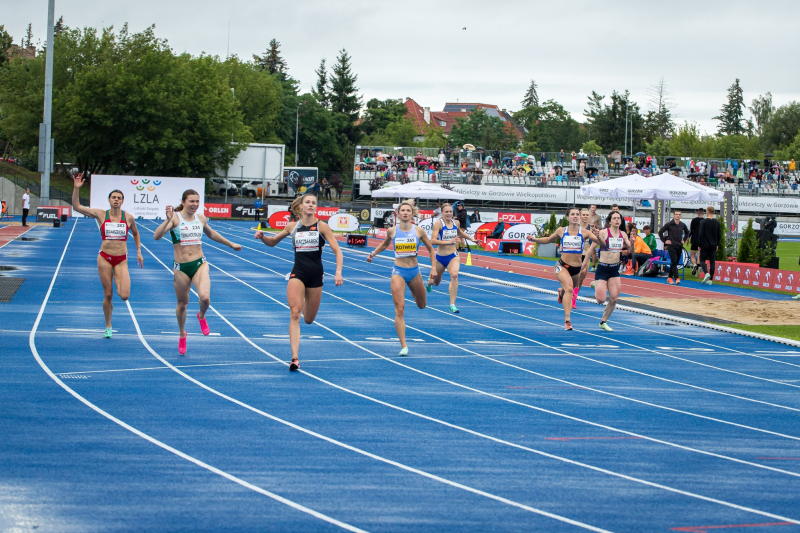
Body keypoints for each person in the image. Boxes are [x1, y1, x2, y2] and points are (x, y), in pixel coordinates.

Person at [255, 194, 343, 370]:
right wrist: (263, 237)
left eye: (313, 203)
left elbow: (337, 251)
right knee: (295, 313)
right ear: (301, 206)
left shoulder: (322, 227)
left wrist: (338, 272)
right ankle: (295, 358)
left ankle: (303, 300)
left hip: (316, 276)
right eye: (308, 202)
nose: (310, 205)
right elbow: (272, 242)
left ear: (316, 207)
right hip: (298, 273)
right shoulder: (292, 227)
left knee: (309, 319)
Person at [153, 189, 242, 355]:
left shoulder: (201, 218)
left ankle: (201, 316)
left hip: (200, 264)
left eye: (197, 201)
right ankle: (182, 334)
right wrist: (166, 220)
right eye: (191, 201)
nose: (194, 204)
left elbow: (212, 234)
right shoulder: (175, 218)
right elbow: (156, 236)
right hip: (181, 268)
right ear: (184, 202)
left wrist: (231, 244)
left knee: (205, 298)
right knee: (182, 304)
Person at [71, 173, 143, 338]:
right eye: (113, 197)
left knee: (124, 295)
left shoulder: (128, 218)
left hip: (121, 259)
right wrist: (76, 189)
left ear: (122, 201)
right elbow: (76, 207)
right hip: (104, 258)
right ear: (109, 200)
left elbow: (136, 234)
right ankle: (108, 325)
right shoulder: (101, 214)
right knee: (108, 294)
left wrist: (138, 251)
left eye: (119, 198)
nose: (116, 200)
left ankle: (116, 291)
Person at [367, 200, 435, 356]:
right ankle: (404, 345)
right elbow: (385, 244)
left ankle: (414, 289)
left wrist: (433, 269)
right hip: (398, 272)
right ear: (398, 213)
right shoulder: (392, 231)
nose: (405, 213)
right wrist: (373, 253)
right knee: (400, 309)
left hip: (415, 271)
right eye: (402, 210)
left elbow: (431, 250)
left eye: (408, 211)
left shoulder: (418, 231)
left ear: (412, 214)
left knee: (422, 305)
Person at [527, 207, 601, 330]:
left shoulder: (585, 233)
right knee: (570, 289)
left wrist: (599, 236)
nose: (576, 216)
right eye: (573, 214)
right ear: (568, 217)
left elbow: (601, 243)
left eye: (577, 214)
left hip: (576, 269)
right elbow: (548, 239)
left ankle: (561, 293)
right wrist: (534, 239)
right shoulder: (561, 230)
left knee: (567, 289)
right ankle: (567, 320)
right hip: (562, 266)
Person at [584, 211, 632, 331]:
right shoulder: (603, 233)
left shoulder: (623, 234)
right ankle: (596, 283)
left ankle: (603, 322)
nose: (617, 220)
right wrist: (584, 264)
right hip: (603, 268)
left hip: (614, 269)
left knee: (614, 298)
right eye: (614, 218)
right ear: (609, 221)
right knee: (600, 300)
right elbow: (591, 250)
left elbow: (631, 249)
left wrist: (633, 243)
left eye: (619, 218)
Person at [427, 203, 478, 313]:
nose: (449, 214)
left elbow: (459, 232)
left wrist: (471, 239)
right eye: (446, 212)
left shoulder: (456, 222)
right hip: (440, 257)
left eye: (450, 211)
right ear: (442, 213)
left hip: (453, 255)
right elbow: (433, 241)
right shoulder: (438, 224)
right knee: (436, 282)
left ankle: (452, 305)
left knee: (454, 275)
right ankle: (428, 283)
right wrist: (449, 241)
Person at [658, 209, 690, 285]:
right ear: (674, 215)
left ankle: (669, 277)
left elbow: (687, 232)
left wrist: (684, 240)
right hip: (671, 246)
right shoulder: (669, 224)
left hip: (679, 246)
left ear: (680, 216)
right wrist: (665, 241)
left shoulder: (682, 225)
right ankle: (677, 278)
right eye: (676, 214)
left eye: (679, 214)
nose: (678, 216)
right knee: (674, 261)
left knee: (674, 263)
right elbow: (660, 232)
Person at [572, 208, 594, 308]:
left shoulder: (591, 228)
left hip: (587, 254)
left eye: (587, 215)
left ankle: (574, 298)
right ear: (580, 216)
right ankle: (568, 293)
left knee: (581, 279)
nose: (585, 216)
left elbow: (595, 242)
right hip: (577, 255)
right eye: (583, 215)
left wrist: (593, 232)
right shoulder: (576, 227)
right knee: (578, 275)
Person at [697, 206, 721, 285]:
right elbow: (719, 235)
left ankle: (706, 273)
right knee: (712, 262)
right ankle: (711, 280)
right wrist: (717, 244)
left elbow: (700, 234)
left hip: (705, 244)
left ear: (707, 212)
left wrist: (699, 244)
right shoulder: (717, 222)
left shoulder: (703, 222)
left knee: (702, 260)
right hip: (713, 244)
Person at [688, 207, 705, 275]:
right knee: (699, 255)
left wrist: (688, 237)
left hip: (695, 239)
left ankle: (694, 265)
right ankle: (697, 269)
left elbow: (691, 230)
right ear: (703, 213)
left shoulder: (694, 220)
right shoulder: (705, 221)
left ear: (697, 213)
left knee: (692, 255)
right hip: (702, 240)